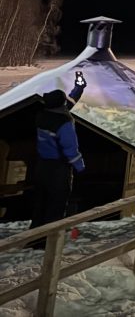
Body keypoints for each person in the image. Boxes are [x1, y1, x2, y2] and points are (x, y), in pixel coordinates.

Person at [30, 77, 87, 244]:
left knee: (41, 203)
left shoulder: (43, 115)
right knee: (57, 205)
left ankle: (34, 238)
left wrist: (79, 87)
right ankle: (49, 242)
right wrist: (80, 167)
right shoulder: (64, 122)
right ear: (60, 105)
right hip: (58, 169)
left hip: (41, 166)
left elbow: (68, 102)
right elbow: (70, 149)